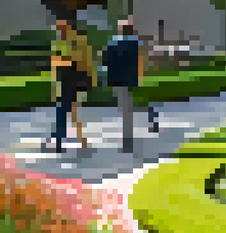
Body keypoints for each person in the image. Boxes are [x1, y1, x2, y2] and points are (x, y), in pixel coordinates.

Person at [103, 19, 157, 154]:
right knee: (133, 108)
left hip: (117, 80)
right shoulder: (137, 43)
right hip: (132, 79)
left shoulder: (112, 43)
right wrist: (141, 77)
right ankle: (150, 117)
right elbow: (141, 61)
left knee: (125, 111)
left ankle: (127, 141)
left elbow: (106, 62)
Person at [50, 18, 97, 153]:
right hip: (66, 82)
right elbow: (56, 63)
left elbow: (75, 61)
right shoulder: (59, 43)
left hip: (74, 82)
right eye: (59, 28)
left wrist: (63, 61)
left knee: (73, 114)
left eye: (62, 28)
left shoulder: (77, 42)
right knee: (64, 113)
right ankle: (62, 141)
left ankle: (78, 140)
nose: (60, 31)